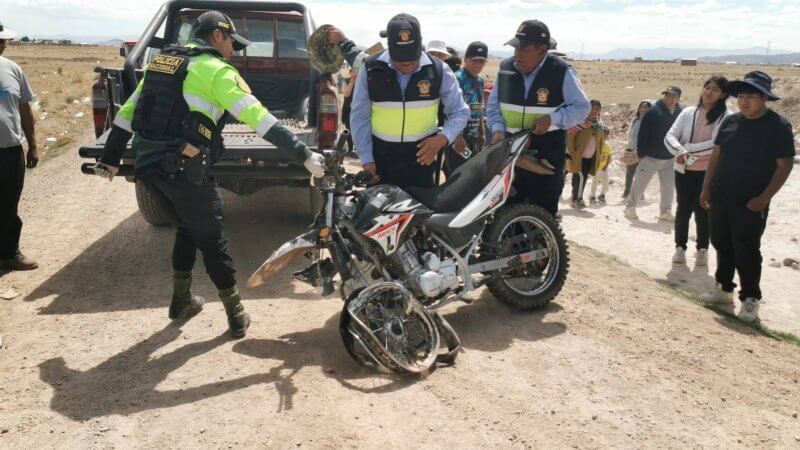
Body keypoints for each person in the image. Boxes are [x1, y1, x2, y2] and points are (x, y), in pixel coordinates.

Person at [94, 11, 326, 338]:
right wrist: (303, 154)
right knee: (212, 238)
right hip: (183, 171)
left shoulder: (163, 63)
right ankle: (236, 315)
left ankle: (181, 301)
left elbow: (126, 114)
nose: (234, 50)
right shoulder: (217, 71)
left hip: (149, 169)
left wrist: (110, 158)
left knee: (188, 228)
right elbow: (261, 121)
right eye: (232, 41)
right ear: (218, 36)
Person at [329, 14, 469, 189]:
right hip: (380, 160)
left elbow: (460, 111)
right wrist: (366, 158)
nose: (407, 65)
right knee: (379, 214)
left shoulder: (439, 70)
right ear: (390, 47)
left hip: (422, 159)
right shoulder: (371, 68)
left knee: (417, 214)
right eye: (400, 60)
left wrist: (443, 138)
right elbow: (359, 116)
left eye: (412, 58)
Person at [699, 71, 794, 322]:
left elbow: (784, 165)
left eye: (750, 96)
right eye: (741, 96)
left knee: (747, 249)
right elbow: (716, 155)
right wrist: (707, 187)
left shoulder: (778, 127)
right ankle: (723, 289)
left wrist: (764, 198)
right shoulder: (730, 122)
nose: (744, 101)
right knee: (721, 242)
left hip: (751, 202)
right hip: (721, 196)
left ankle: (750, 298)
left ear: (763, 98)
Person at [486, 19, 590, 216]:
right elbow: (492, 105)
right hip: (509, 153)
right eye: (515, 48)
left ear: (542, 49)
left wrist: (554, 119)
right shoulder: (506, 69)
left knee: (541, 217)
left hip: (545, 157)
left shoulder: (561, 72)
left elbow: (582, 107)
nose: (517, 54)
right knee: (504, 217)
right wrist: (498, 129)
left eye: (524, 49)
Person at [666, 76, 729, 266]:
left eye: (715, 90)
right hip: (684, 169)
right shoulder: (688, 112)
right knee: (683, 208)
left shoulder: (726, 117)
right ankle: (680, 248)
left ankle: (702, 249)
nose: (709, 92)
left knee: (703, 211)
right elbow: (670, 135)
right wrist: (680, 150)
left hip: (708, 172)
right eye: (707, 87)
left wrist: (686, 149)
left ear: (723, 94)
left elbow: (716, 145)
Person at [0, 22, 39, 271]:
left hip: (10, 151)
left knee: (8, 205)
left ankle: (9, 254)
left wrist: (33, 145)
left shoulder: (13, 69)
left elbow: (24, 109)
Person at [624, 86, 683, 220]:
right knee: (639, 184)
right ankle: (630, 207)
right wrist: (641, 155)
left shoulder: (680, 112)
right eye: (667, 95)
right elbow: (643, 135)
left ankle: (665, 211)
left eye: (672, 96)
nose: (669, 98)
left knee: (668, 187)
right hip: (651, 157)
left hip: (670, 158)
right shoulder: (653, 111)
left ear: (678, 98)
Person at [443, 41, 488, 176]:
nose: (477, 65)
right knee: (457, 177)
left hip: (473, 136)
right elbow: (451, 110)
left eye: (481, 62)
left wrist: (482, 132)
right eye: (474, 61)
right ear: (465, 59)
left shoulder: (480, 81)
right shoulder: (457, 79)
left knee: (470, 175)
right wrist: (458, 138)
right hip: (458, 137)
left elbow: (478, 108)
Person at [566, 99, 604, 209]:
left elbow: (600, 140)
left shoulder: (599, 124)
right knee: (579, 177)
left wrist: (600, 153)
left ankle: (576, 198)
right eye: (592, 108)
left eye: (597, 109)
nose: (594, 111)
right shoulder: (580, 122)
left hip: (591, 156)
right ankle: (578, 199)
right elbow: (570, 135)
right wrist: (571, 151)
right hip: (579, 155)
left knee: (583, 177)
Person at [621, 100, 652, 200]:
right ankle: (627, 192)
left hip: (642, 152)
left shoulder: (650, 122)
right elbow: (630, 134)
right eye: (641, 107)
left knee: (640, 173)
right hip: (631, 149)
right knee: (629, 172)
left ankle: (640, 194)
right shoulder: (635, 120)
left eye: (646, 107)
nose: (643, 109)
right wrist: (628, 148)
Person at [590, 128, 612, 205]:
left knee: (606, 183)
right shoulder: (596, 144)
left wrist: (606, 166)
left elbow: (609, 156)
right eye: (603, 134)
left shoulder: (607, 145)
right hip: (596, 167)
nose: (605, 136)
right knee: (595, 182)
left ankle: (602, 195)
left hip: (604, 168)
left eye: (606, 134)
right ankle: (592, 196)